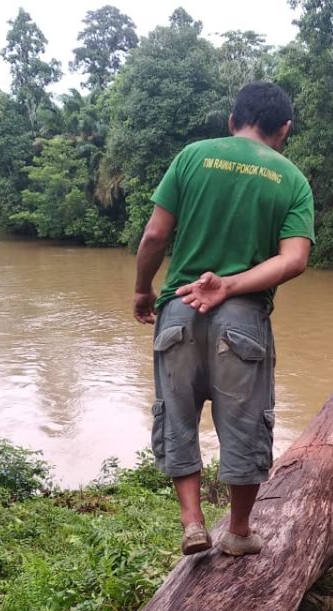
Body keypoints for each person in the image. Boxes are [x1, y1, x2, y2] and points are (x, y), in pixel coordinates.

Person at [132, 80, 314, 558]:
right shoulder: (292, 179)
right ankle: (237, 531)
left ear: (232, 121)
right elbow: (294, 260)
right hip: (243, 317)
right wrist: (231, 285)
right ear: (284, 130)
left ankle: (192, 521)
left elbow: (154, 236)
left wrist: (141, 289)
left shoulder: (192, 157)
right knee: (244, 424)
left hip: (178, 307)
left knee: (178, 416)